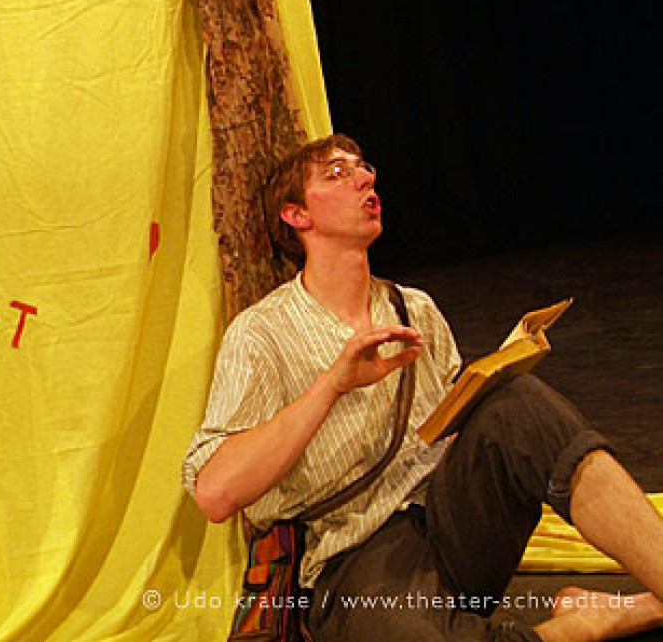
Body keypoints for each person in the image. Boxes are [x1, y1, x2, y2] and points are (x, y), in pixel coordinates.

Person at [183, 133, 663, 641]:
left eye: (363, 168)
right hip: (353, 558)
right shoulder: (262, 332)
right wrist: (332, 385)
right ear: (297, 215)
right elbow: (216, 493)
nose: (364, 179)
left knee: (518, 406)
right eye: (337, 173)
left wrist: (485, 387)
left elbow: (457, 429)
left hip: (449, 524)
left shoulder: (414, 309)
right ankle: (606, 619)